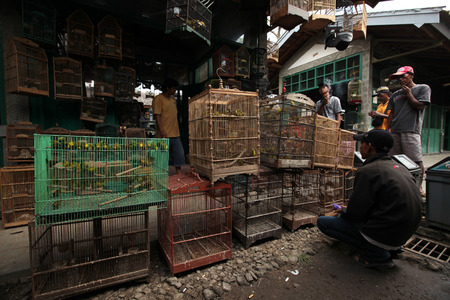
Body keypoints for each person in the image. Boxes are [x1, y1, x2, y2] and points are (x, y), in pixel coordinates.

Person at [317, 129, 422, 269]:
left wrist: (343, 211)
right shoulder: (400, 168)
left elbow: (356, 214)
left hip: (386, 232)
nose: (360, 146)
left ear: (370, 146)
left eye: (362, 143)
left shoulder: (368, 170)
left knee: (323, 222)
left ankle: (378, 254)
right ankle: (391, 248)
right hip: (404, 234)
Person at [386, 66, 431, 197]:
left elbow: (420, 106)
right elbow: (391, 113)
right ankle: (398, 186)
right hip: (395, 131)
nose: (400, 79)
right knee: (394, 161)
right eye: (398, 78)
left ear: (411, 75)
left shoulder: (423, 88)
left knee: (415, 161)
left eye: (403, 76)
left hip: (411, 130)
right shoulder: (395, 94)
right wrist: (387, 130)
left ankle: (418, 188)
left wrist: (409, 94)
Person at [153, 78, 185, 174]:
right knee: (162, 156)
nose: (175, 90)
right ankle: (161, 175)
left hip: (175, 133)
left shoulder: (173, 99)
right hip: (164, 133)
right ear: (167, 88)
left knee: (179, 155)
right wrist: (162, 130)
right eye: (173, 88)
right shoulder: (158, 99)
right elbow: (157, 115)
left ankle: (179, 174)